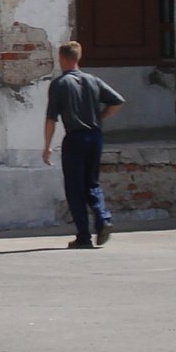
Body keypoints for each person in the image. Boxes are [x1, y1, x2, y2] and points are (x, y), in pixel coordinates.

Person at [41, 41, 125, 249]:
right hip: (95, 137)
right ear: (78, 58)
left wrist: (47, 146)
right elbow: (117, 101)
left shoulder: (60, 84)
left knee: (75, 188)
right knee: (92, 183)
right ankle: (103, 218)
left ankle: (84, 236)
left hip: (75, 138)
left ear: (62, 58)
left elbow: (51, 118)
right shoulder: (93, 80)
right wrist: (98, 118)